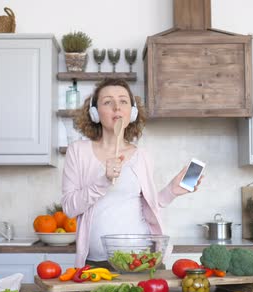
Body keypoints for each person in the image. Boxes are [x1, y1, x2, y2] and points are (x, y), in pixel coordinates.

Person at [61, 78, 202, 268]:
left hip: (141, 259)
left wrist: (171, 191)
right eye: (108, 102)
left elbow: (147, 207)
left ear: (132, 112)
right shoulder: (78, 151)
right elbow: (70, 208)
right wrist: (103, 181)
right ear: (94, 113)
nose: (117, 108)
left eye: (123, 101)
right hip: (97, 263)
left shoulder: (141, 156)